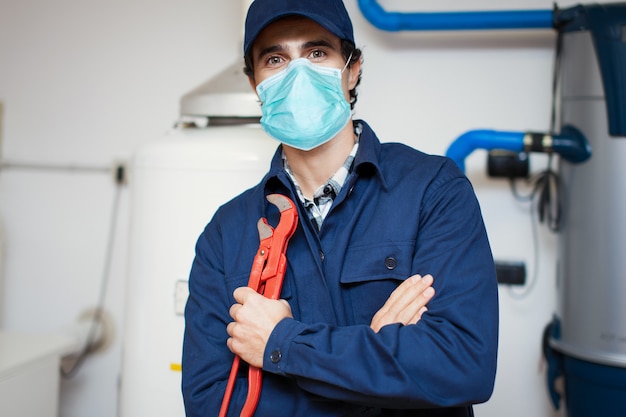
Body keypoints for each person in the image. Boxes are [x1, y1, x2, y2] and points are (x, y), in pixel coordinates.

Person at [182, 0, 499, 416]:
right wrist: (378, 358)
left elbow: (462, 365)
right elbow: (211, 404)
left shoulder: (433, 192)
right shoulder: (226, 235)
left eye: (317, 53)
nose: (298, 73)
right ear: (254, 83)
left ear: (352, 69)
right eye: (275, 59)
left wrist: (281, 344)